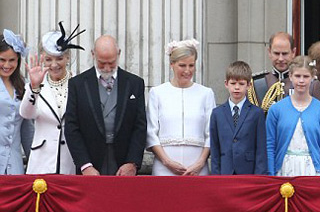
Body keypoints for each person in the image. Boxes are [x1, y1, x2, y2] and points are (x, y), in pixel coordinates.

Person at [64, 35, 147, 176]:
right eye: (102, 63)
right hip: (91, 161)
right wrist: (85, 165)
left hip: (123, 162)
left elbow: (140, 126)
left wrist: (132, 162)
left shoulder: (134, 83)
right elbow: (72, 127)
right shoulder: (77, 84)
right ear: (93, 55)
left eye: (112, 62)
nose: (107, 68)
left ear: (119, 54)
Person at [21, 23, 84, 174]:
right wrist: (34, 88)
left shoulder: (80, 84)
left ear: (67, 58)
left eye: (59, 58)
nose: (54, 65)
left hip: (70, 161)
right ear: (43, 59)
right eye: (49, 60)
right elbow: (26, 114)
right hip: (41, 162)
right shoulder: (36, 85)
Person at [147, 40, 216, 176]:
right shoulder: (157, 93)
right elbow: (151, 132)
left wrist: (200, 163)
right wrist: (167, 162)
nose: (187, 70)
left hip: (198, 167)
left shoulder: (206, 93)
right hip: (164, 167)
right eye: (182, 65)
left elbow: (211, 132)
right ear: (171, 64)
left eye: (191, 65)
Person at [267, 56, 320, 176]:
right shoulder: (276, 109)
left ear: (313, 77)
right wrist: (271, 174)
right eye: (298, 76)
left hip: (312, 170)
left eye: (306, 76)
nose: (301, 81)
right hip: (284, 168)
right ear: (290, 76)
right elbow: (270, 144)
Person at [209, 60, 268, 175]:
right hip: (225, 172)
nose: (237, 88)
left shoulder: (257, 113)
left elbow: (261, 149)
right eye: (233, 83)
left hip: (248, 172)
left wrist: (259, 177)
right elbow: (215, 149)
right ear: (226, 84)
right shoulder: (217, 113)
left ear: (249, 85)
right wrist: (216, 176)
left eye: (241, 84)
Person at [249, 32, 320, 113]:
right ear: (269, 52)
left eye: (285, 54)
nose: (280, 58)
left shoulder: (311, 85)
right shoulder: (257, 84)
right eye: (276, 53)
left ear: (293, 52)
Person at [0, 30, 34, 174]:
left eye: (12, 60)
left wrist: (34, 162)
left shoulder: (23, 86)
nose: (7, 65)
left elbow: (27, 129)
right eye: (2, 60)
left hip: (15, 165)